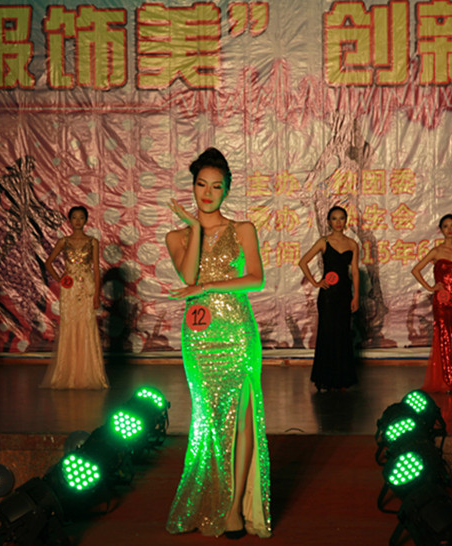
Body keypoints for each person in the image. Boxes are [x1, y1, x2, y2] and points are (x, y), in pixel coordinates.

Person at [165, 148, 271, 538]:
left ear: (226, 190)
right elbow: (188, 275)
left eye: (216, 186)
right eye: (201, 185)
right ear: (192, 186)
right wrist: (195, 229)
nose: (207, 193)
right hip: (199, 338)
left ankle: (234, 508)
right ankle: (211, 495)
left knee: (241, 419)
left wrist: (208, 287)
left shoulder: (243, 229)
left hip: (237, 332)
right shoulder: (176, 236)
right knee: (208, 420)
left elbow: (256, 278)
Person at [40, 206, 109, 390]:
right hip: (69, 289)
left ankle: (87, 373)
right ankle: (68, 373)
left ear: (86, 220)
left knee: (86, 325)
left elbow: (96, 270)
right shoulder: (64, 241)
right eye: (74, 217)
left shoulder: (92, 242)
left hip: (87, 287)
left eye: (81, 217)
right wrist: (60, 279)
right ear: (69, 220)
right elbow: (48, 263)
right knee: (69, 325)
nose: (78, 221)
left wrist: (97, 294)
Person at [298, 205, 359, 391]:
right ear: (328, 222)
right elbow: (303, 262)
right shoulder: (323, 241)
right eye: (334, 218)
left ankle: (342, 380)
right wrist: (316, 282)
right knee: (327, 333)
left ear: (346, 221)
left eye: (341, 218)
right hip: (328, 295)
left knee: (343, 334)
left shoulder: (352, 244)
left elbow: (355, 272)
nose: (338, 222)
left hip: (345, 293)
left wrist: (356, 296)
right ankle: (325, 379)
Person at [411, 214, 452, 393]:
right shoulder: (436, 251)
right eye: (445, 226)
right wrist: (431, 288)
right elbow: (415, 270)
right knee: (444, 339)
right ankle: (446, 381)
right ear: (441, 230)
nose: (449, 229)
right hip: (442, 302)